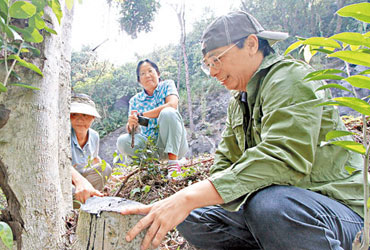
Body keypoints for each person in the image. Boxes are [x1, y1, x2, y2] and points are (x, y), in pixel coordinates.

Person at [122, 11, 365, 250]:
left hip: (336, 210)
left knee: (270, 206)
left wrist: (188, 196)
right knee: (192, 215)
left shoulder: (291, 78)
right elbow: (224, 163)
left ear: (251, 44)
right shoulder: (239, 101)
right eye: (207, 65)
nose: (213, 72)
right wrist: (187, 201)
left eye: (217, 59)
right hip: (276, 211)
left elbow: (283, 158)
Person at [116, 59, 189, 179]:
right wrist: (132, 124)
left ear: (158, 73)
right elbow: (132, 130)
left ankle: (173, 164)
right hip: (152, 148)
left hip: (176, 144)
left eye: (150, 71)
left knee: (168, 112)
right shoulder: (135, 101)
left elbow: (172, 105)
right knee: (122, 141)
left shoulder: (167, 85)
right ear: (139, 80)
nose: (147, 75)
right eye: (143, 74)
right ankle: (152, 167)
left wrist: (143, 114)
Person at [70, 93, 112, 204]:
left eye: (85, 115)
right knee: (72, 190)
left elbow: (94, 158)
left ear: (93, 117)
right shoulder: (63, 134)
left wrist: (113, 177)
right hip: (66, 180)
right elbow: (60, 163)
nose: (80, 120)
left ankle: (86, 200)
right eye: (74, 114)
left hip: (84, 176)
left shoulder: (94, 136)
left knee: (105, 168)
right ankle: (79, 203)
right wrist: (79, 182)